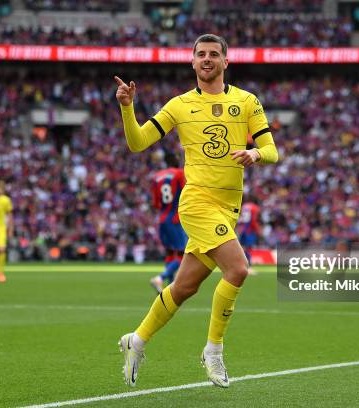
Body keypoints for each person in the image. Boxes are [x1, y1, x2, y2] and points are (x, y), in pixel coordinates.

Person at [114, 33, 278, 388]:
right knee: (237, 269)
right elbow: (137, 142)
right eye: (200, 54)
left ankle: (136, 340)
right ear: (192, 62)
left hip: (228, 206)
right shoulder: (179, 105)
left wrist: (255, 153)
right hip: (197, 202)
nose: (207, 59)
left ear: (225, 61)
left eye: (214, 54)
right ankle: (213, 350)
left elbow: (272, 149)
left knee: (184, 287)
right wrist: (128, 108)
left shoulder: (247, 101)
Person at [149, 153, 188, 293]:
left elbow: (155, 203)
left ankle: (170, 288)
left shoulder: (156, 177)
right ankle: (160, 278)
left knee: (171, 254)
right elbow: (187, 192)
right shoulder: (179, 174)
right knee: (183, 254)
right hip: (175, 219)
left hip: (162, 219)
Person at [237, 200, 261, 275]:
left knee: (242, 248)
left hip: (242, 229)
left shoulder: (244, 206)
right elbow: (253, 220)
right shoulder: (255, 207)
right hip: (249, 230)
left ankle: (240, 266)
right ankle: (248, 267)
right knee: (248, 249)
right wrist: (257, 230)